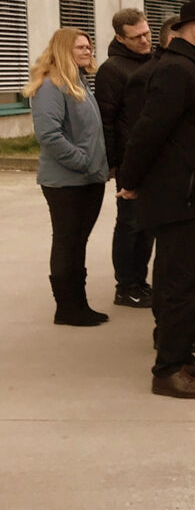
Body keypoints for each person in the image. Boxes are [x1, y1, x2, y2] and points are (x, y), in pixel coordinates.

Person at [118, 0, 195, 398]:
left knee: (187, 281)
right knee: (177, 284)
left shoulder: (190, 67)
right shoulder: (176, 70)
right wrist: (130, 179)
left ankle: (183, 355)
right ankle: (167, 369)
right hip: (177, 197)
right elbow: (148, 130)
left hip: (192, 194)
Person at [24, 28, 109, 326]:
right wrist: (83, 162)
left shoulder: (79, 83)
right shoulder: (51, 86)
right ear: (63, 50)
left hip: (89, 179)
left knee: (77, 242)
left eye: (89, 46)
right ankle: (67, 308)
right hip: (66, 182)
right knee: (67, 241)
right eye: (80, 47)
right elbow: (49, 135)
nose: (88, 51)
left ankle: (79, 304)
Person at [94, 8, 154, 308]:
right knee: (130, 223)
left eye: (146, 33)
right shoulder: (112, 70)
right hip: (129, 159)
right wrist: (112, 163)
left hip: (153, 158)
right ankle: (126, 286)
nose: (144, 40)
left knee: (148, 225)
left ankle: (140, 281)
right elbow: (106, 119)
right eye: (136, 37)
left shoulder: (153, 61)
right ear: (120, 38)